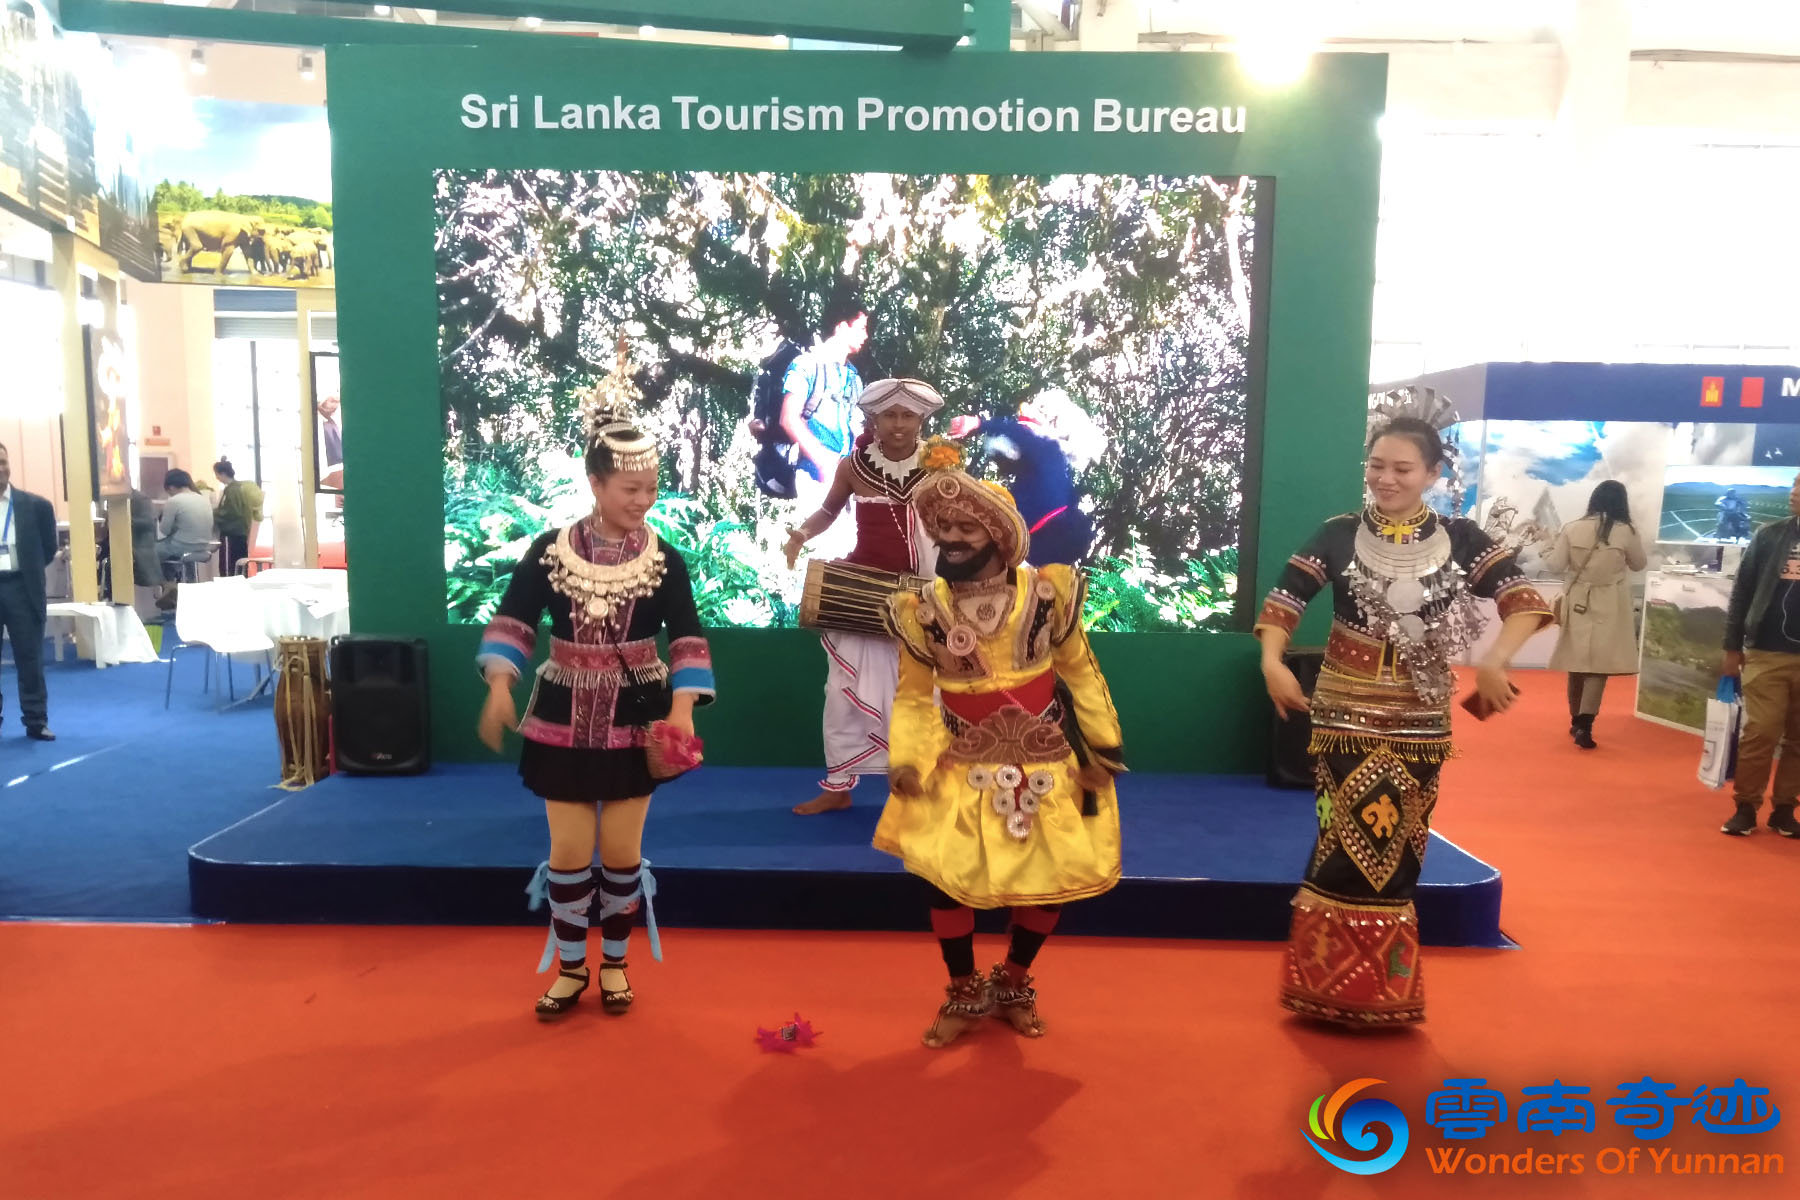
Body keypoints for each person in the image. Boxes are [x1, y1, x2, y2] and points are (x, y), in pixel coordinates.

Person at [1256, 417, 1552, 1028]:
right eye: (1376, 466)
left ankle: (1381, 991)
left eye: (1402, 469)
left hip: (1420, 717)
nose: (1385, 479)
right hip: (1344, 712)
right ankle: (1326, 986)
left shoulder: (1463, 538)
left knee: (1401, 850)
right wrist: (1271, 662)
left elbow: (1525, 602)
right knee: (1345, 840)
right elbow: (1284, 602)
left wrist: (1496, 661)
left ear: (1434, 475)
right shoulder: (1337, 534)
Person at [476, 390, 715, 1020]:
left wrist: (684, 708)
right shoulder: (551, 552)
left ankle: (614, 964)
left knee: (620, 854)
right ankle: (570, 968)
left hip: (637, 719)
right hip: (560, 717)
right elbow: (514, 621)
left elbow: (687, 636)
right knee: (568, 854)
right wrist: (501, 684)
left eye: (650, 487)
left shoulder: (666, 560)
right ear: (595, 484)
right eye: (629, 488)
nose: (642, 500)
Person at [876, 447, 1125, 1048]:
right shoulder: (921, 610)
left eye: (966, 527)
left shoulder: (1048, 593)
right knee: (943, 882)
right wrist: (906, 758)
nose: (953, 540)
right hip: (960, 765)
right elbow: (914, 697)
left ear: (998, 534)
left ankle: (1013, 981)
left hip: (1048, 764)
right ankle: (963, 990)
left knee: (1048, 878)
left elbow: (1083, 673)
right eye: (943, 530)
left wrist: (1102, 747)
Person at [783, 378, 942, 815]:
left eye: (907, 415)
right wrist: (800, 534)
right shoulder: (853, 466)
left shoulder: (942, 465)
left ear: (921, 419)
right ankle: (838, 787)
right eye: (889, 414)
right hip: (864, 592)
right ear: (874, 418)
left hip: (921, 597)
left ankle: (918, 782)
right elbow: (829, 511)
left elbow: (960, 521)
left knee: (924, 695)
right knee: (841, 691)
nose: (898, 423)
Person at [1719, 471, 1800, 838]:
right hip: (1767, 652)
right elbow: (1741, 593)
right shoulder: (1770, 535)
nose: (1794, 493)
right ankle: (1746, 806)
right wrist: (1731, 647)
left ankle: (1785, 809)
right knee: (1761, 731)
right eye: (1796, 485)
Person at [1546, 481, 1647, 749]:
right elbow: (1639, 563)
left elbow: (1555, 565)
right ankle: (1585, 725)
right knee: (1599, 666)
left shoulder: (1571, 528)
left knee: (1577, 662)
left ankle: (1574, 719)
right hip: (1610, 602)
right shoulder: (1626, 531)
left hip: (1578, 599)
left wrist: (1546, 546)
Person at [780, 307, 868, 556]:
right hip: (814, 475)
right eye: (860, 328)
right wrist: (823, 462)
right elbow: (789, 418)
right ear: (841, 327)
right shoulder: (806, 365)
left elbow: (857, 430)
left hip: (845, 479)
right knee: (818, 556)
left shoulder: (853, 377)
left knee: (844, 557)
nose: (865, 336)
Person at [0, 443, 60, 741]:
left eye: (3, 461)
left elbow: (49, 549)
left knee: (30, 658)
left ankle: (36, 721)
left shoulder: (36, 506)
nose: (0, 468)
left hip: (22, 588)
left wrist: (29, 569)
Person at [155, 469, 214, 609]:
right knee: (169, 552)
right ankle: (185, 586)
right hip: (203, 547)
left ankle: (168, 585)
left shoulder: (174, 501)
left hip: (182, 546)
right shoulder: (203, 498)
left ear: (170, 487)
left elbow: (164, 530)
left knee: (151, 552)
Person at [212, 458, 264, 576]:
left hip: (231, 533)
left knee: (228, 567)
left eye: (217, 474)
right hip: (241, 533)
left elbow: (231, 512)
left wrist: (214, 514)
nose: (217, 477)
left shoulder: (232, 490)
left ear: (223, 473)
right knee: (239, 566)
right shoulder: (239, 488)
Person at [318, 390, 344, 490]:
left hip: (339, 469)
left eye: (337, 402)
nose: (335, 405)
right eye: (332, 401)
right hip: (326, 474)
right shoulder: (318, 422)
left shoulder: (332, 421)